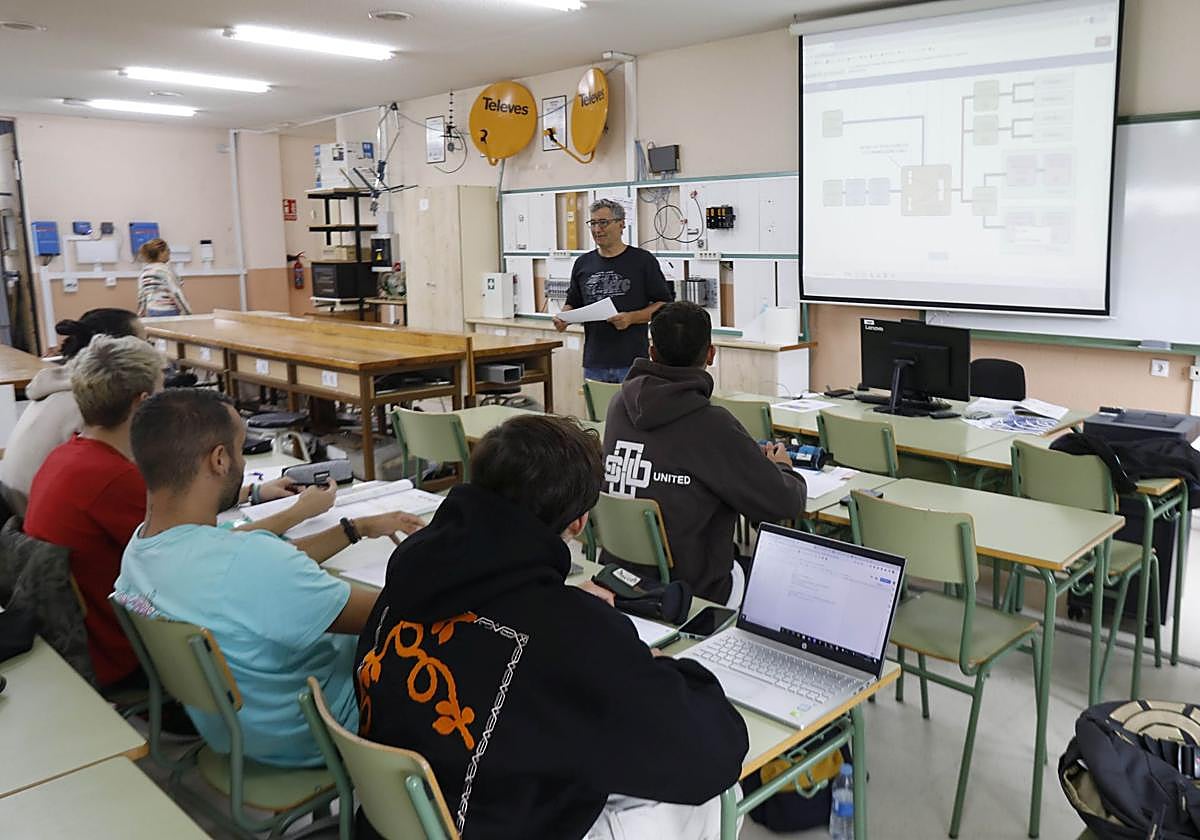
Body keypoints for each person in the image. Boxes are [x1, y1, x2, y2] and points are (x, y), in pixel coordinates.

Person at [356, 414, 747, 840]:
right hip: (488, 821)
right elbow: (710, 755)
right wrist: (655, 664)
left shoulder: (410, 568)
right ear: (578, 523)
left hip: (397, 818)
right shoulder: (568, 630)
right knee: (716, 799)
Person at [115, 388, 424, 767]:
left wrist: (354, 528)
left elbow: (261, 563)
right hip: (317, 730)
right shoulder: (249, 563)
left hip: (231, 729)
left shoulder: (140, 551)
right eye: (241, 449)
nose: (242, 462)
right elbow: (395, 613)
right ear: (219, 459)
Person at [23, 338, 327, 691]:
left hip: (103, 636)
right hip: (140, 655)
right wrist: (299, 511)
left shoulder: (72, 456)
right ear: (146, 403)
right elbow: (209, 549)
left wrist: (252, 493)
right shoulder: (112, 479)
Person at [601, 301, 807, 603]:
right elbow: (785, 503)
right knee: (791, 580)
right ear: (711, 354)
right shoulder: (712, 424)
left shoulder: (619, 405)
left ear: (651, 351)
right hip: (694, 592)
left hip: (620, 579)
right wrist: (783, 468)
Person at [0, 308, 143, 514]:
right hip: (35, 530)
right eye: (146, 344)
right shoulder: (96, 402)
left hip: (17, 512)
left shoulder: (57, 385)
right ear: (122, 352)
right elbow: (130, 475)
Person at [553, 198, 673, 383]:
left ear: (621, 224)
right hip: (594, 361)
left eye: (603, 223)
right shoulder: (583, 264)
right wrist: (564, 318)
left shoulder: (642, 261)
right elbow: (573, 302)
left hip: (632, 361)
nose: (597, 229)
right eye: (593, 223)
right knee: (598, 411)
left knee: (632, 411)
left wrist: (631, 318)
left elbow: (664, 305)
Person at [135, 238, 191, 317]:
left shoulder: (144, 273)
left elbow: (142, 297)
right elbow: (176, 293)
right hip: (168, 311)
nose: (169, 253)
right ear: (160, 253)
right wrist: (188, 313)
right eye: (167, 250)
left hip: (151, 311)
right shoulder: (165, 271)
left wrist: (140, 316)